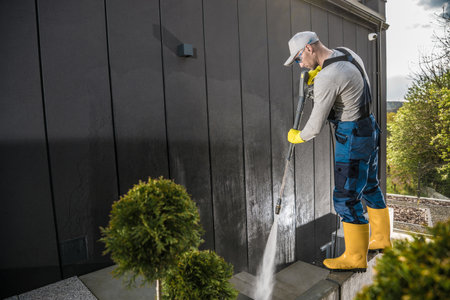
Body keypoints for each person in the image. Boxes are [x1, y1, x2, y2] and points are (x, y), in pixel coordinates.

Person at [284, 31, 392, 272]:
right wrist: (320, 72)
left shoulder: (328, 77)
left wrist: (297, 136)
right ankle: (382, 239)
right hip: (369, 127)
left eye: (299, 58)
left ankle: (355, 257)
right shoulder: (347, 54)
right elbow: (349, 81)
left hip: (352, 136)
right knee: (371, 185)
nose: (299, 64)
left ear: (310, 48)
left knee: (346, 197)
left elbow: (315, 126)